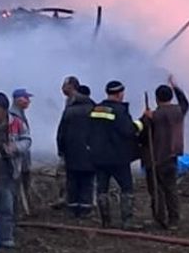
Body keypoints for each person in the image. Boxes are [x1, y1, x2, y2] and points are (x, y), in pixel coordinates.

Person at [140, 75, 189, 229]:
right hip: (172, 156)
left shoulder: (154, 115)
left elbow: (142, 134)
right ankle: (174, 220)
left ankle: (159, 218)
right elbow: (184, 102)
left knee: (156, 190)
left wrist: (145, 118)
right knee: (171, 189)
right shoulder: (179, 111)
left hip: (155, 158)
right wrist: (175, 86)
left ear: (156, 99)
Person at [89, 80, 142, 228]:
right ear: (119, 94)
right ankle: (127, 221)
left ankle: (105, 221)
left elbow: (91, 131)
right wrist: (142, 121)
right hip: (118, 157)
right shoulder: (119, 110)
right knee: (126, 188)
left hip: (99, 156)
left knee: (102, 189)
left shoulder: (97, 109)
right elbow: (128, 131)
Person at [0, 91, 30, 248]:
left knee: (6, 204)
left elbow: (27, 140)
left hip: (8, 169)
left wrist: (15, 147)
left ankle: (5, 236)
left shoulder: (16, 123)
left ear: (4, 109)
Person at [56, 82, 97, 217]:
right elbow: (100, 132)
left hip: (71, 153)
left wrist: (61, 150)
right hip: (90, 153)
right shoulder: (95, 109)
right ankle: (86, 209)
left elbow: (61, 133)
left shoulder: (69, 110)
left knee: (72, 181)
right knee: (87, 181)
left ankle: (72, 208)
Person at [9, 88, 33, 217]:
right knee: (16, 187)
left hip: (23, 158)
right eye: (26, 98)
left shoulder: (20, 115)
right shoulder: (13, 117)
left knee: (22, 186)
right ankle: (17, 212)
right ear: (18, 99)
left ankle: (24, 210)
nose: (28, 101)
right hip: (17, 159)